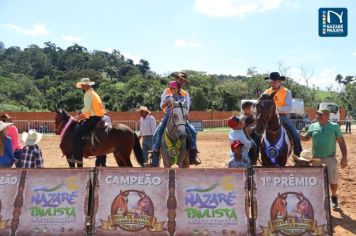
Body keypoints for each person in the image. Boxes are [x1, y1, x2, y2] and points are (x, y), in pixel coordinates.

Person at [300, 109, 348, 208]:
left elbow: (342, 143)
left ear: (327, 116)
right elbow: (306, 138)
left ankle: (334, 197)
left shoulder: (334, 127)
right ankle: (318, 200)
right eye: (317, 114)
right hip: (316, 160)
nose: (317, 116)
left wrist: (344, 157)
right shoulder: (313, 126)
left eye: (320, 115)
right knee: (316, 181)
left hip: (330, 159)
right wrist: (298, 135)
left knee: (333, 181)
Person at [151, 73, 201, 165]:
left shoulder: (185, 94)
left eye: (183, 81)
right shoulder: (167, 91)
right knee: (158, 131)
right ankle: (155, 152)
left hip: (181, 117)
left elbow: (187, 107)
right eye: (180, 80)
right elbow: (162, 105)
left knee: (192, 131)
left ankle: (193, 153)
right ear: (176, 79)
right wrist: (168, 106)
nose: (182, 82)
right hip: (168, 116)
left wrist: (182, 114)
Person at [264, 72, 303, 156]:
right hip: (267, 117)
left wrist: (275, 110)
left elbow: (288, 107)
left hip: (281, 116)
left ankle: (298, 155)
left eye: (273, 82)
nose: (271, 84)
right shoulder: (267, 92)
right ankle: (254, 156)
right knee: (256, 133)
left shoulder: (286, 92)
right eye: (270, 82)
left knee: (295, 134)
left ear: (279, 81)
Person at [72, 78, 107, 164]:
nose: (82, 87)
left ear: (86, 85)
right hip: (99, 118)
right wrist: (84, 114)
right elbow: (99, 108)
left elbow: (87, 108)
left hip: (93, 119)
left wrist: (80, 112)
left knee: (77, 133)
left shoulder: (87, 94)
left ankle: (78, 157)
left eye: (82, 86)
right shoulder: (95, 93)